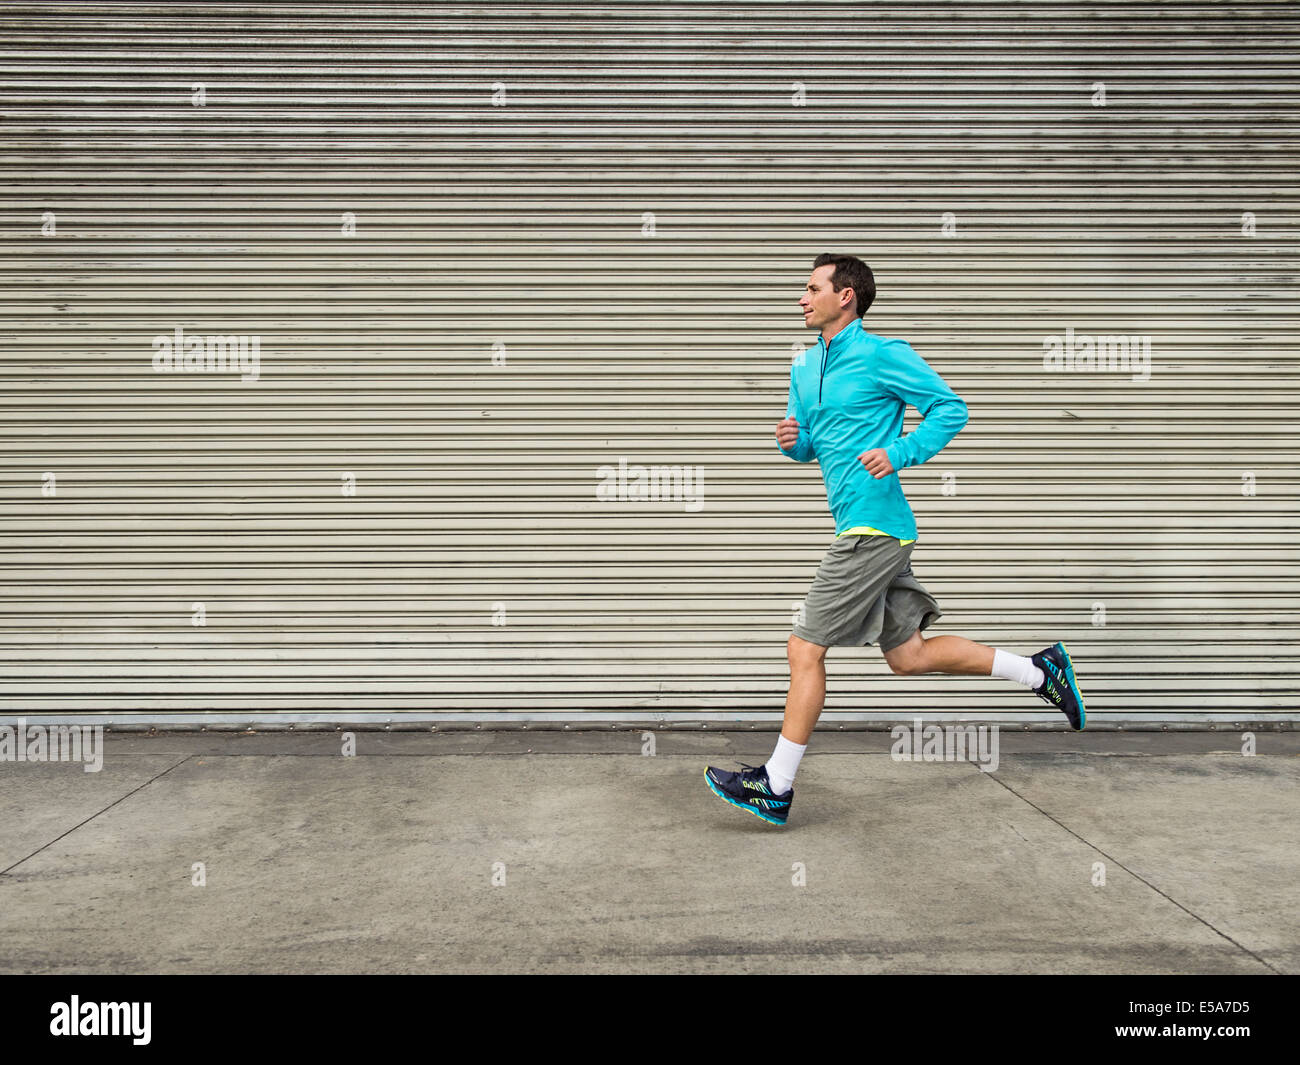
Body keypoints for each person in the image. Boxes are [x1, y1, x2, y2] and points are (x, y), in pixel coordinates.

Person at [704, 253, 1085, 827]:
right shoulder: (804, 367)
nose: (801, 299)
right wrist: (792, 442)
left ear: (846, 296)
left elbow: (949, 409)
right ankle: (1040, 670)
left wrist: (900, 452)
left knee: (804, 648)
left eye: (812, 289)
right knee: (908, 657)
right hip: (866, 526)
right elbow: (814, 444)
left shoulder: (883, 354)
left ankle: (775, 785)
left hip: (874, 528)